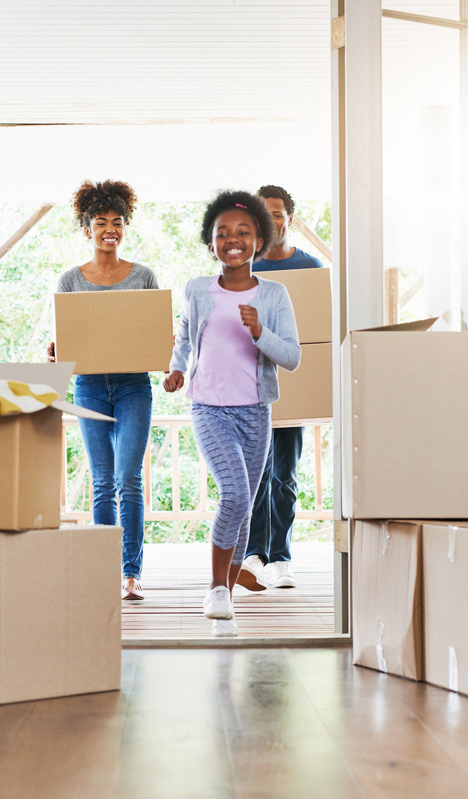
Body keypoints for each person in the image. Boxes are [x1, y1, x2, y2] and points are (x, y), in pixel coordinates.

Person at [164, 190, 301, 637]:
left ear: (258, 240)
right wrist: (177, 370)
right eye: (222, 233)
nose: (232, 240)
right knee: (237, 496)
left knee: (243, 506)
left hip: (255, 412)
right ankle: (215, 588)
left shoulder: (275, 295)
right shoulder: (196, 290)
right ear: (211, 244)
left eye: (243, 232)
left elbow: (293, 357)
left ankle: (229, 581)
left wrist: (259, 331)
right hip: (208, 407)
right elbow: (184, 337)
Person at [53, 180, 157, 602]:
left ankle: (131, 574)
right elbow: (68, 343)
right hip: (90, 386)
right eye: (100, 222)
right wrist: (58, 350)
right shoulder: (69, 281)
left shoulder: (144, 276)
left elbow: (153, 334)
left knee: (127, 478)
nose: (109, 229)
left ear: (125, 227)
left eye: (116, 222)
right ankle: (103, 572)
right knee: (101, 482)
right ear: (87, 229)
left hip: (133, 384)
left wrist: (169, 365)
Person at [239, 185, 324, 591]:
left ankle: (281, 557)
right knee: (255, 474)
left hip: (295, 382)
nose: (271, 221)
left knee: (285, 475)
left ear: (289, 218)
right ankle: (252, 555)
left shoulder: (311, 267)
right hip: (254, 384)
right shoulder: (245, 268)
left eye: (277, 213)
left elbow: (321, 331)